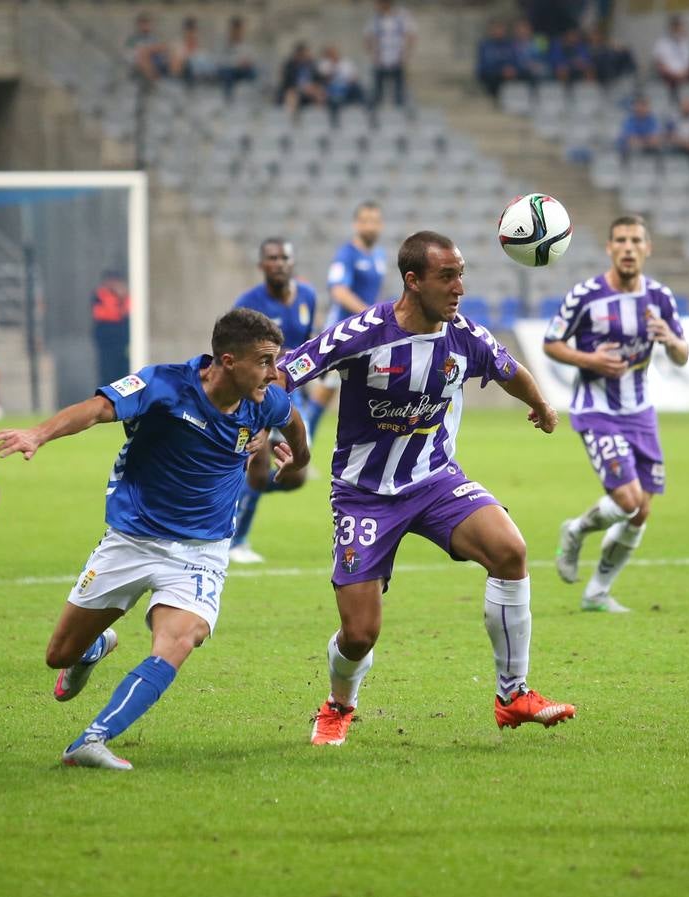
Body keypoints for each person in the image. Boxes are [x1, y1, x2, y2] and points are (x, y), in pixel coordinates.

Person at [278, 230, 575, 746]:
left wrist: (542, 406)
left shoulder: (464, 335)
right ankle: (338, 705)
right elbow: (284, 375)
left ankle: (513, 696)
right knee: (359, 635)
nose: (459, 287)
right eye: (447, 276)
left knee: (510, 550)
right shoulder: (361, 334)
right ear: (412, 281)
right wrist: (267, 436)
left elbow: (510, 370)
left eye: (461, 274)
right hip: (363, 493)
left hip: (434, 480)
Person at [0, 308, 310, 769]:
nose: (274, 373)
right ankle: (95, 648)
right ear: (227, 361)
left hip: (201, 551)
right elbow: (98, 409)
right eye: (264, 361)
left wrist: (298, 460)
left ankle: (91, 740)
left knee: (181, 638)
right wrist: (38, 434)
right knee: (59, 654)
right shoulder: (164, 385)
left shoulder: (264, 400)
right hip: (132, 539)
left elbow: (293, 420)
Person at [547, 216, 689, 613]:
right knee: (627, 500)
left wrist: (671, 340)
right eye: (621, 241)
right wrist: (588, 358)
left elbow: (682, 355)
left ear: (647, 248)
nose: (628, 247)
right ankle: (575, 532)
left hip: (640, 411)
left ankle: (597, 593)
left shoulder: (660, 298)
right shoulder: (586, 295)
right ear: (609, 248)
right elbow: (551, 343)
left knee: (641, 510)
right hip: (597, 409)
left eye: (636, 241)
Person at [227, 238, 316, 565]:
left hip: (292, 395)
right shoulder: (248, 304)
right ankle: (235, 540)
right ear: (261, 265)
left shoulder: (307, 296)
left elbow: (307, 347)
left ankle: (235, 497)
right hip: (257, 396)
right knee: (259, 468)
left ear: (293, 262)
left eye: (284, 257)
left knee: (295, 477)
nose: (278, 263)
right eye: (272, 258)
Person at [301, 202, 388, 441]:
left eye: (375, 221)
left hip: (368, 335)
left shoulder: (380, 256)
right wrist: (370, 313)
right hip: (342, 334)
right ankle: (299, 447)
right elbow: (338, 291)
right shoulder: (346, 255)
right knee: (325, 392)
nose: (370, 226)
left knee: (371, 392)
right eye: (365, 221)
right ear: (356, 224)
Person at [363, 0, 415, 109]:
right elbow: (368, 36)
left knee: (398, 89)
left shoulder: (401, 17)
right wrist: (371, 54)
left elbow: (410, 35)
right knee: (378, 89)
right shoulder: (375, 19)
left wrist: (407, 53)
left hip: (397, 57)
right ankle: (376, 112)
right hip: (381, 58)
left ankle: (399, 111)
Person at [91, 269, 131, 387]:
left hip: (122, 340)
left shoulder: (125, 296)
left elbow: (129, 311)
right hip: (107, 341)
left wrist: (122, 298)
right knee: (107, 372)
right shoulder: (100, 295)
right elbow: (104, 314)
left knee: (123, 372)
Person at [216, 16, 258, 100]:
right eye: (235, 30)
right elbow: (220, 62)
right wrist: (236, 63)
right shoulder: (224, 45)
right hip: (228, 70)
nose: (237, 33)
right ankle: (228, 99)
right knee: (227, 73)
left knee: (254, 72)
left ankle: (254, 99)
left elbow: (251, 59)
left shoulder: (246, 45)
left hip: (242, 70)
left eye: (239, 30)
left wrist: (246, 63)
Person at [476, 20, 522, 97]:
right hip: (492, 74)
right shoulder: (485, 45)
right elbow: (485, 65)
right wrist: (501, 70)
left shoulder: (510, 44)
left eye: (501, 29)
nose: (499, 31)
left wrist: (512, 69)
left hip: (508, 73)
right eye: (496, 29)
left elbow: (516, 61)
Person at [278, 41, 324, 115]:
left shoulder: (312, 65)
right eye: (303, 54)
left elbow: (318, 79)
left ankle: (319, 116)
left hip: (310, 89)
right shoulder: (290, 65)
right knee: (291, 94)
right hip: (295, 89)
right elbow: (287, 81)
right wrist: (301, 87)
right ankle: (292, 118)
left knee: (320, 93)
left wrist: (312, 86)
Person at [654, 15, 689, 95]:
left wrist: (683, 75)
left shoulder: (687, 43)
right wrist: (673, 75)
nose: (677, 29)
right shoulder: (661, 43)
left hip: (685, 79)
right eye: (675, 27)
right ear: (670, 28)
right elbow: (660, 64)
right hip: (667, 80)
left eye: (679, 26)